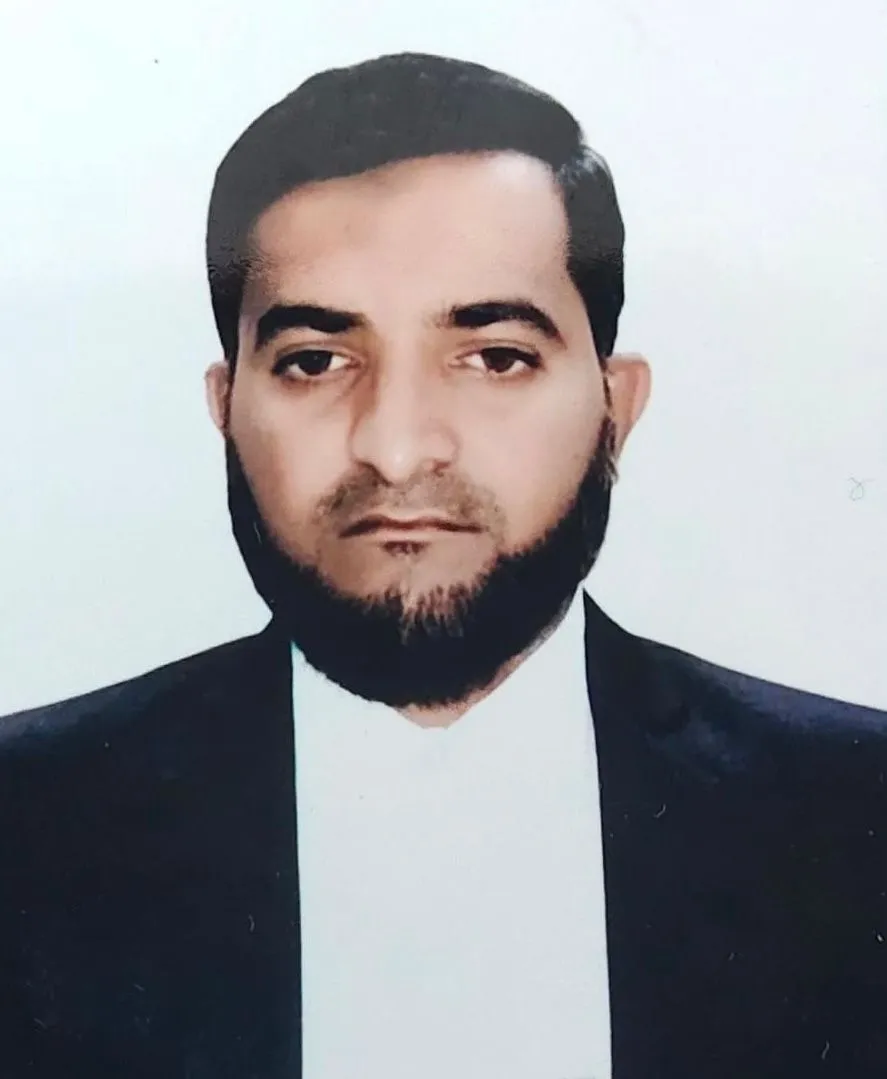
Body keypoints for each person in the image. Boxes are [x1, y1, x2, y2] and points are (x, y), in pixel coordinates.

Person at [0, 51, 885, 1079]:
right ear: (225, 407)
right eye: (315, 361)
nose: (395, 445)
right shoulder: (27, 826)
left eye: (494, 357)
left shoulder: (854, 820)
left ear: (616, 406)